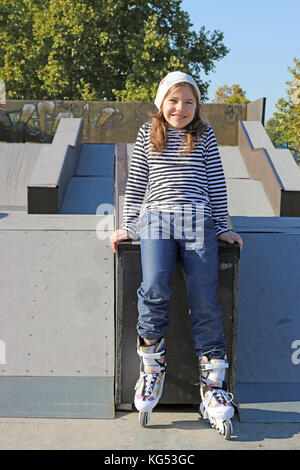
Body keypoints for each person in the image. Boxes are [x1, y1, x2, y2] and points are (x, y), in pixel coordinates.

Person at [110, 71, 243, 434]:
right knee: (154, 288)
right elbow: (136, 181)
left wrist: (222, 226)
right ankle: (152, 366)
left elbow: (216, 182)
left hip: (197, 221)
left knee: (205, 299)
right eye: (173, 100)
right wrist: (128, 224)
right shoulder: (147, 134)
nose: (180, 108)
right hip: (156, 221)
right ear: (161, 102)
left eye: (188, 102)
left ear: (197, 106)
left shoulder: (203, 135)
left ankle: (213, 386)